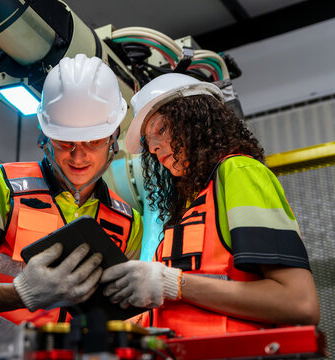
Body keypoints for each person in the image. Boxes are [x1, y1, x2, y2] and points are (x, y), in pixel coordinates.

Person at [0, 54, 143, 360]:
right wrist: (23, 292)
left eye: (93, 142)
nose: (78, 158)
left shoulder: (128, 222)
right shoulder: (1, 184)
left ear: (114, 138)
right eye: (64, 143)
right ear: (44, 136)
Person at [100, 73, 320, 337]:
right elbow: (190, 308)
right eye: (149, 142)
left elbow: (299, 303)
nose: (155, 147)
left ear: (195, 118)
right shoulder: (192, 205)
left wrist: (173, 284)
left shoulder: (238, 172)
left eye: (161, 129)